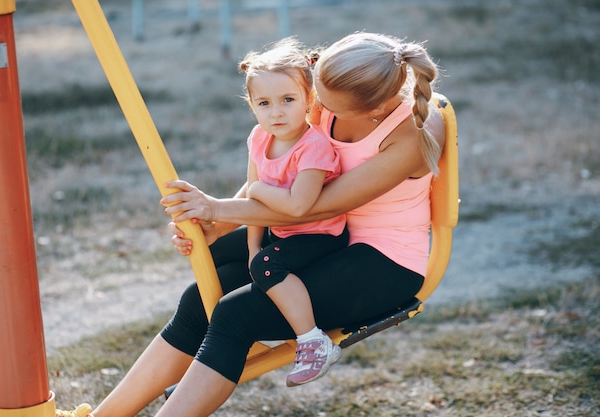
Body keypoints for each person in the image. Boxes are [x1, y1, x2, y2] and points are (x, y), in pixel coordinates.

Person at [56, 31, 445, 417]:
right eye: (316, 96)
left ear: (372, 107)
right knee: (199, 301)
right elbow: (278, 177)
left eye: (327, 104)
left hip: (380, 264)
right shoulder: (330, 94)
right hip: (319, 240)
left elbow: (309, 208)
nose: (317, 108)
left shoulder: (412, 133)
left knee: (235, 314)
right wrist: (217, 226)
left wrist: (218, 210)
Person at [237, 38, 347, 386]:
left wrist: (257, 190)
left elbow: (299, 206)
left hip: (319, 234)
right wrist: (253, 247)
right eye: (264, 103)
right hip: (281, 229)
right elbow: (256, 208)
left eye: (288, 100)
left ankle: (312, 339)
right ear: (252, 106)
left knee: (268, 265)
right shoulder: (259, 137)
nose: (277, 113)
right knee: (246, 256)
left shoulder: (313, 147)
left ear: (309, 99)